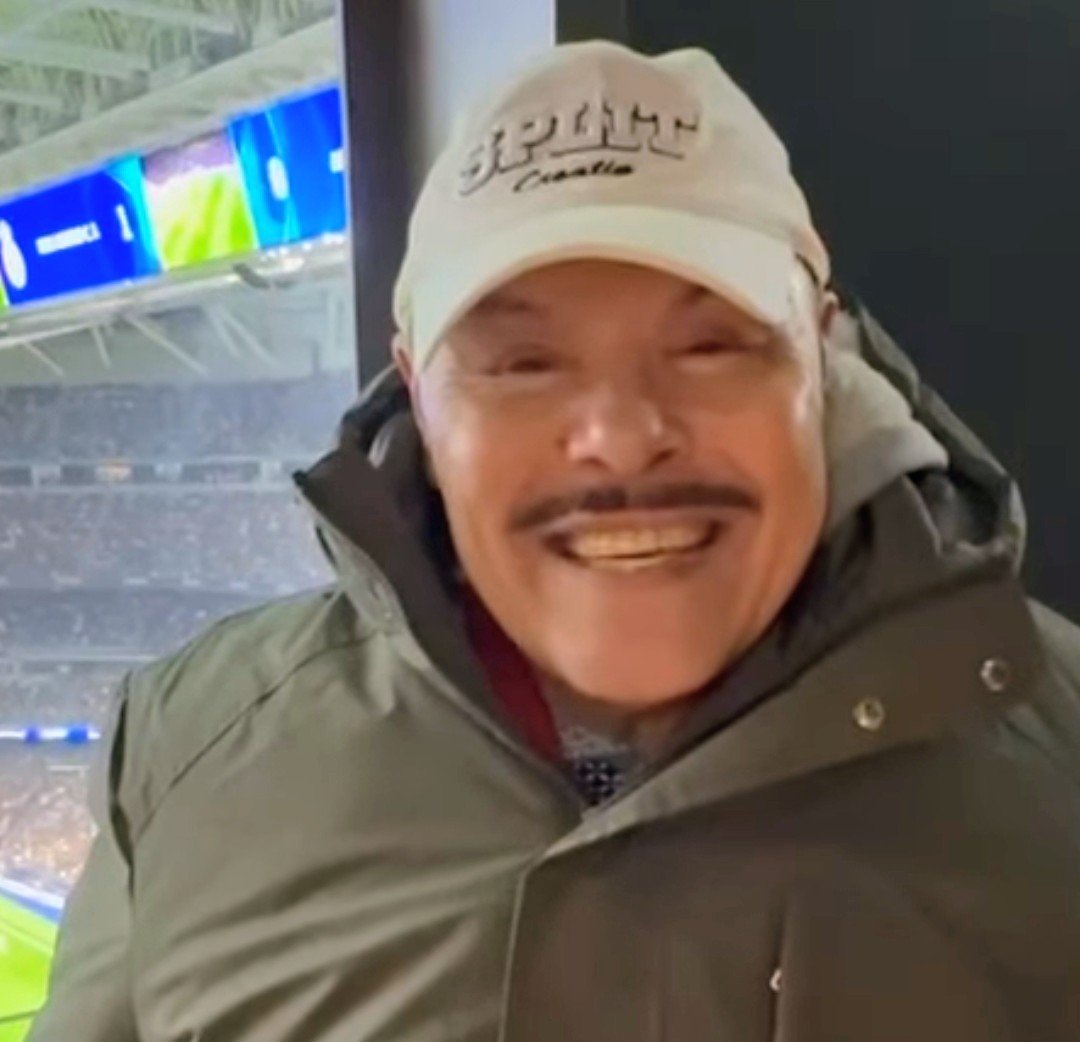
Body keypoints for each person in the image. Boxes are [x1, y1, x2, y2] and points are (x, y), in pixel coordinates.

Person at [29, 41, 1080, 1042]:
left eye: (712, 344)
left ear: (823, 353)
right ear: (417, 394)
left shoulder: (1061, 754)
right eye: (522, 364)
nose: (621, 434)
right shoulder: (184, 753)